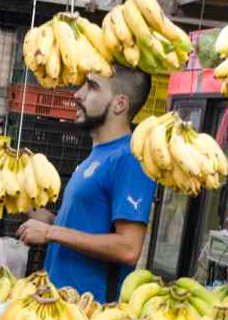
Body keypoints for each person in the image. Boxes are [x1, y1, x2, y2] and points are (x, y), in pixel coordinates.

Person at [16, 66, 158, 303]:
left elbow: (128, 248)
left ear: (119, 104)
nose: (77, 94)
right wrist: (37, 212)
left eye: (92, 87)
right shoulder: (97, 156)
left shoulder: (130, 159)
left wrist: (51, 233)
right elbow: (82, 227)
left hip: (90, 310)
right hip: (61, 304)